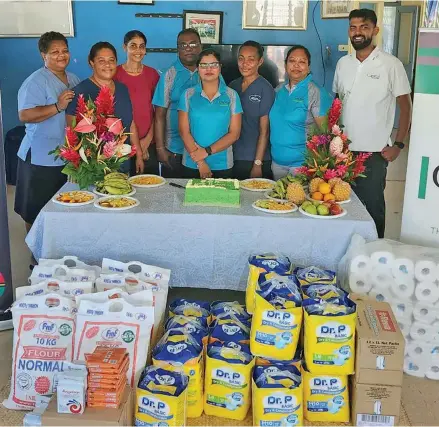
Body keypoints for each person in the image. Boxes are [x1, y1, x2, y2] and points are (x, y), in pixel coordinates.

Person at [333, 9, 412, 238]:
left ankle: (375, 254)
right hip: (342, 151)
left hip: (374, 153)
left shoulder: (391, 64)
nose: (357, 32)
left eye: (364, 27)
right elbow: (338, 102)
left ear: (375, 30)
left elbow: (405, 106)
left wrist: (399, 144)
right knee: (341, 205)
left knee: (372, 208)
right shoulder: (343, 63)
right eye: (353, 27)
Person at [15, 31, 80, 232]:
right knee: (35, 209)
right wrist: (57, 106)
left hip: (66, 155)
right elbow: (25, 115)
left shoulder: (74, 79)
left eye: (65, 51)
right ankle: (35, 257)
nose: (61, 55)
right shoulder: (35, 81)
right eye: (55, 52)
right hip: (39, 157)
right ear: (44, 55)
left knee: (63, 204)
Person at [66, 42, 144, 175]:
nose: (107, 65)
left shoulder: (122, 89)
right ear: (91, 62)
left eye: (111, 60)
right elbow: (72, 134)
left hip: (122, 161)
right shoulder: (80, 92)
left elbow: (131, 124)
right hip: (93, 167)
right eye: (101, 61)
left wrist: (139, 154)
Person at [269, 45, 332, 181]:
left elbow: (327, 133)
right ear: (285, 65)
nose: (296, 66)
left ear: (308, 67)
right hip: (277, 163)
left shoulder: (315, 92)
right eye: (292, 61)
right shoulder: (279, 90)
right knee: (277, 201)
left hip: (302, 165)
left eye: (302, 62)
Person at [178, 49, 243, 179]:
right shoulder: (188, 94)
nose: (209, 69)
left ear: (220, 68)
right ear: (198, 68)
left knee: (221, 199)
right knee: (190, 199)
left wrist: (206, 152)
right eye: (203, 65)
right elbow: (184, 131)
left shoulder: (231, 95)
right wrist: (201, 162)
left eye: (213, 65)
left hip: (222, 164)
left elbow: (234, 134)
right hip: (192, 162)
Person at [152, 29, 202, 178]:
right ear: (177, 49)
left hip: (204, 148)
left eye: (193, 44)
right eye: (183, 45)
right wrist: (160, 148)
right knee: (175, 196)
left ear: (200, 46)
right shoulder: (169, 75)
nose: (188, 48)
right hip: (175, 150)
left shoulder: (210, 71)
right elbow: (159, 115)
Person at [115, 30, 160, 174]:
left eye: (142, 46)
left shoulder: (152, 74)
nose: (138, 50)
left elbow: (158, 112)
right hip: (120, 143)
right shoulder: (114, 74)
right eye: (133, 46)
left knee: (148, 189)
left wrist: (146, 141)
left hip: (148, 141)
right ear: (124, 47)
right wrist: (134, 146)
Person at [229, 41, 275, 180]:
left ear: (260, 61)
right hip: (232, 155)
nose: (244, 64)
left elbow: (265, 131)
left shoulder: (265, 89)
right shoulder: (232, 86)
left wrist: (257, 164)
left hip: (255, 158)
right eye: (241, 58)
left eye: (251, 59)